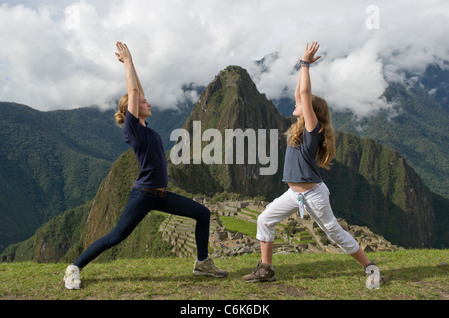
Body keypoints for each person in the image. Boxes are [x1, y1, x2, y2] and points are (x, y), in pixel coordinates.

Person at [64, 41, 227, 290]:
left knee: (202, 214)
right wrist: (128, 62)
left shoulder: (144, 129)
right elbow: (133, 91)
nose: (148, 103)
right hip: (143, 196)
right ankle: (74, 267)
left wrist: (134, 64)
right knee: (115, 237)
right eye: (143, 102)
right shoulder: (132, 130)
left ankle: (202, 262)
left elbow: (137, 90)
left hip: (161, 195)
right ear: (132, 109)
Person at [242, 42, 382, 289]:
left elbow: (304, 95)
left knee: (334, 233)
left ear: (311, 113)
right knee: (264, 219)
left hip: (313, 195)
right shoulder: (300, 131)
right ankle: (266, 268)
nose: (295, 102)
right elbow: (300, 95)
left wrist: (305, 64)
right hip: (294, 193)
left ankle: (369, 266)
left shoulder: (311, 131)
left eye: (301, 104)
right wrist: (300, 65)